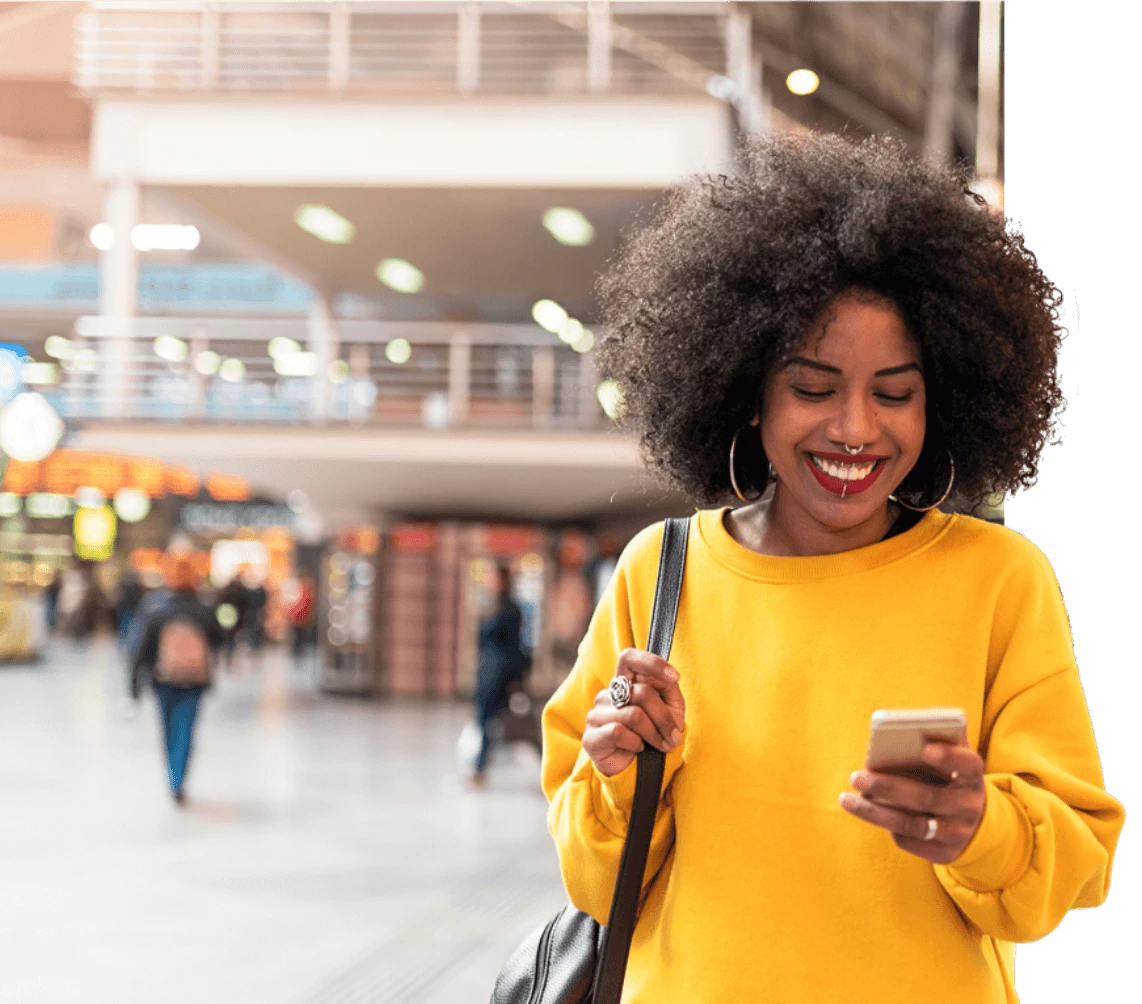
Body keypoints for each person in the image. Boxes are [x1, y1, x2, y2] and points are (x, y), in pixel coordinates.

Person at [541, 133, 1125, 1002]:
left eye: (895, 393)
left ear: (947, 398)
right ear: (747, 389)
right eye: (814, 387)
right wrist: (618, 772)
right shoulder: (658, 573)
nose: (854, 428)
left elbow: (1075, 866)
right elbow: (596, 884)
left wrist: (980, 829)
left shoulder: (1000, 578)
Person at [130, 552, 222, 804]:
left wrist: (135, 683)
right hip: (194, 680)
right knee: (186, 728)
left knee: (168, 729)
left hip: (163, 679)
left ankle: (172, 774)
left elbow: (140, 648)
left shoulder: (156, 607)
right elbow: (218, 640)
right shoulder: (204, 607)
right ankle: (179, 779)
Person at [468, 563, 530, 787]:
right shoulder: (494, 605)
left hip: (499, 675)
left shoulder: (510, 609)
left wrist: (516, 679)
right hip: (489, 672)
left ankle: (479, 769)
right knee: (488, 722)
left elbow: (514, 646)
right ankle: (478, 768)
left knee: (491, 722)